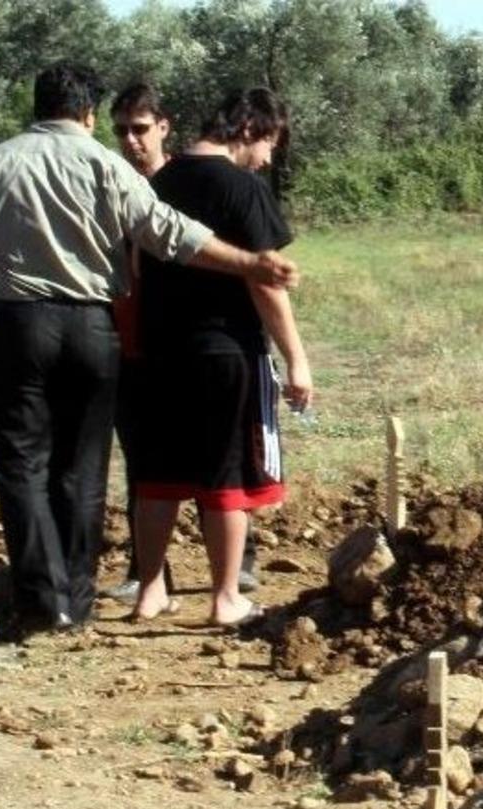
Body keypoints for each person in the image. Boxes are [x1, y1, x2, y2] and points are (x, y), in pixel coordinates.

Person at [0, 62, 300, 641]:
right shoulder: (109, 167)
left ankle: (43, 598)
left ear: (36, 108)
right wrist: (248, 262)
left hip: (19, 325)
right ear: (89, 114)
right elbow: (168, 233)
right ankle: (80, 598)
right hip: (94, 329)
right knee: (84, 468)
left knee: (21, 464)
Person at [129, 87, 312, 627]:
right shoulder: (243, 188)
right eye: (270, 144)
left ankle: (149, 591)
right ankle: (226, 597)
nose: (268, 159)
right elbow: (266, 282)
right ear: (251, 129)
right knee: (227, 476)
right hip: (226, 349)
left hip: (160, 348)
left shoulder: (160, 180)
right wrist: (297, 359)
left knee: (157, 474)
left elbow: (137, 268)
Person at [100, 82, 262, 604]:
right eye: (121, 129)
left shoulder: (184, 182)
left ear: (164, 127)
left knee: (222, 456)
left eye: (139, 128)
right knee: (149, 462)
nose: (130, 140)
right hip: (140, 344)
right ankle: (148, 573)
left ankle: (241, 563)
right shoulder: (113, 185)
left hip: (198, 341)